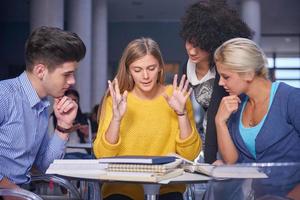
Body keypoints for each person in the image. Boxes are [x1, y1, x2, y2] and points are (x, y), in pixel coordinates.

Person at [93, 37, 201, 200]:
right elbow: (102, 155)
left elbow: (191, 155)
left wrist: (182, 114)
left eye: (151, 68)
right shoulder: (116, 100)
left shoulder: (176, 96)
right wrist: (116, 119)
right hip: (121, 189)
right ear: (128, 70)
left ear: (160, 67)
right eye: (137, 70)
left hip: (167, 187)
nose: (145, 76)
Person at [0, 26, 86, 189]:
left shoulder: (41, 106)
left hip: (24, 192)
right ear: (41, 71)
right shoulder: (4, 95)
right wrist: (7, 188)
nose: (72, 81)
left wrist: (63, 126)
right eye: (66, 74)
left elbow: (44, 166)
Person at [214, 37, 300, 199]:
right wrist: (220, 122)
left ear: (248, 73)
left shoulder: (291, 99)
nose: (220, 83)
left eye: (226, 77)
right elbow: (231, 161)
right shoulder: (238, 105)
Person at [180, 1, 253, 163]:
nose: (192, 51)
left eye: (200, 46)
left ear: (213, 43)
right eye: (189, 42)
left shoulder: (223, 71)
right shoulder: (187, 68)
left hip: (232, 136)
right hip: (210, 134)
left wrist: (210, 161)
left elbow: (215, 114)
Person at [49, 88, 93, 158]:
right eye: (68, 100)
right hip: (65, 151)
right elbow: (50, 141)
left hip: (82, 151)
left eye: (74, 100)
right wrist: (66, 130)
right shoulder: (54, 118)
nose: (72, 103)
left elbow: (89, 144)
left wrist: (86, 135)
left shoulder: (84, 119)